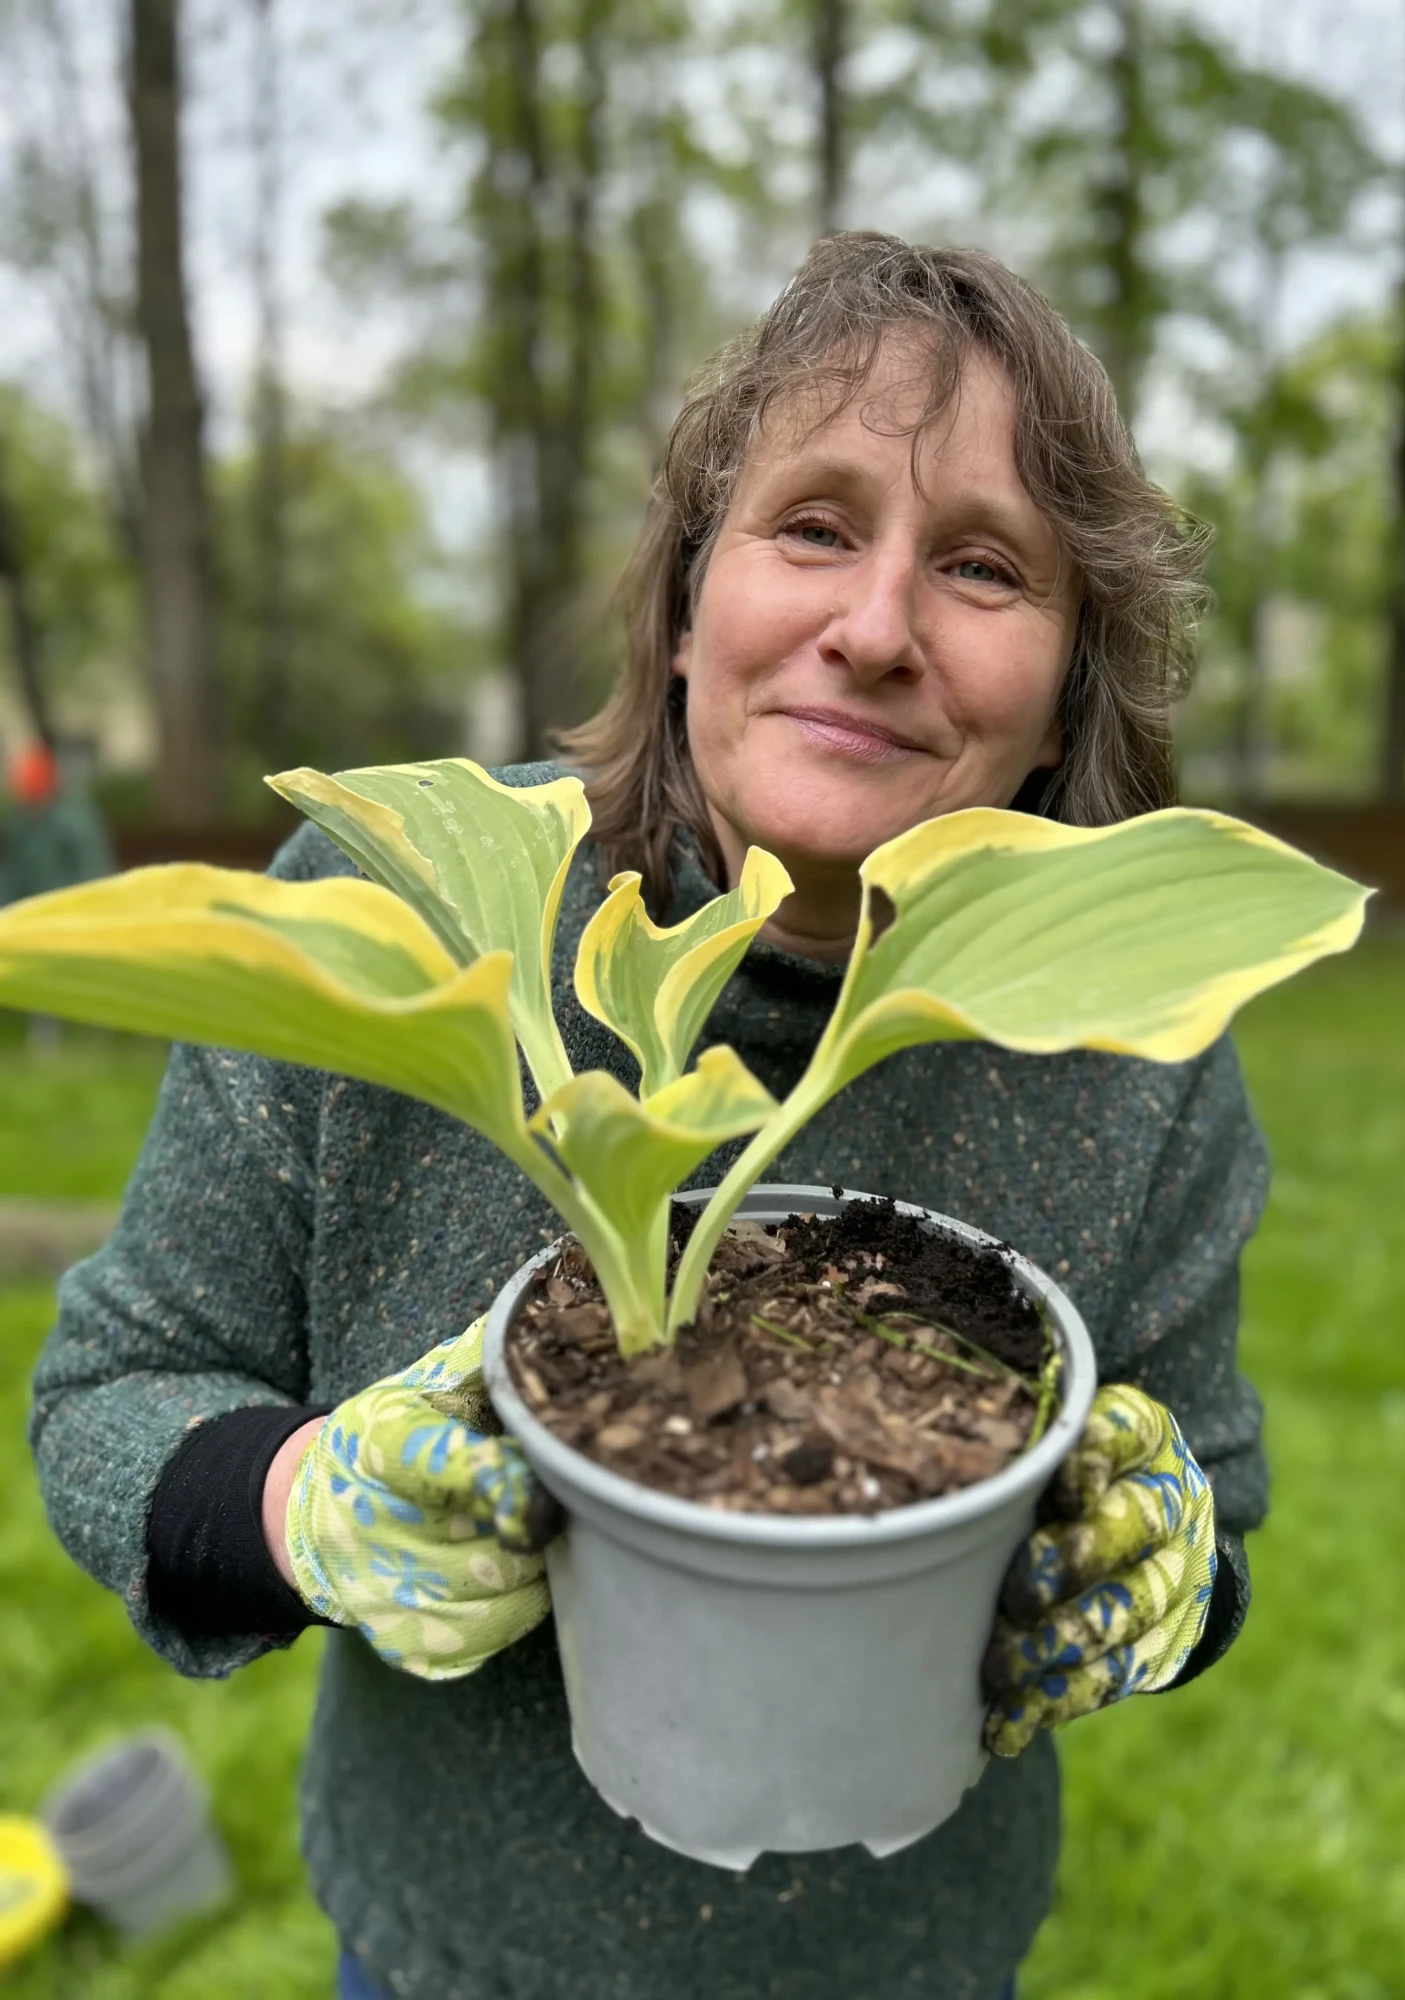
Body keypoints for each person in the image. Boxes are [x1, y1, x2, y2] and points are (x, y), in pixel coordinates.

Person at [30, 234, 1267, 2000]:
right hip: (455, 1954)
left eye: (985, 567)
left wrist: (1163, 1562)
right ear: (690, 600)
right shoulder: (406, 917)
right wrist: (305, 1503)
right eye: (815, 526)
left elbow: (1208, 1485)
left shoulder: (1136, 1041)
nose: (875, 627)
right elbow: (111, 1397)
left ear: (1071, 676)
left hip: (907, 1958)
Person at [1, 738, 114, 1050]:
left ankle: (98, 1028)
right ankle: (46, 1034)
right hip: (37, 915)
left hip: (78, 911)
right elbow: (14, 876)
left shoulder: (76, 822)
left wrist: (82, 911)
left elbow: (93, 870)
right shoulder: (22, 826)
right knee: (37, 959)